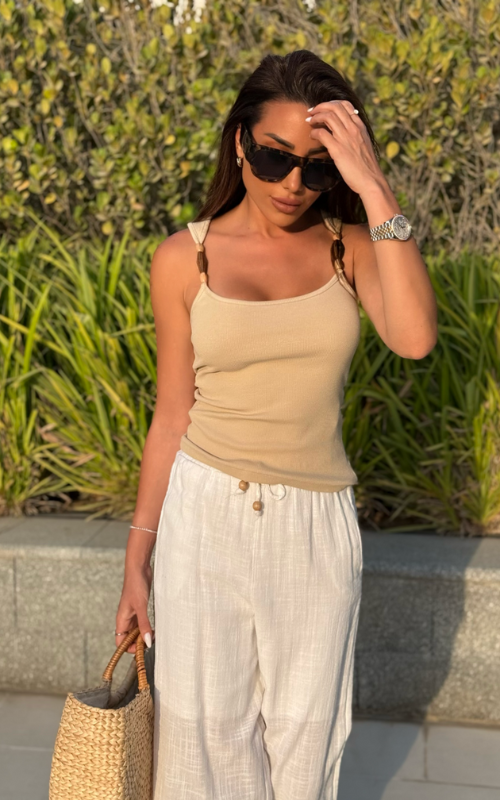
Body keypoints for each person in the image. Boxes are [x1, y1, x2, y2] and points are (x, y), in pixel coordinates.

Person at [114, 50, 438, 799]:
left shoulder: (348, 247)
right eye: (273, 157)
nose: (293, 183)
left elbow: (416, 337)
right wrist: (137, 559)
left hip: (315, 523)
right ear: (240, 144)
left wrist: (372, 184)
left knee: (307, 734)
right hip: (205, 514)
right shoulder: (185, 258)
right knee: (201, 737)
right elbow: (172, 414)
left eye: (318, 167)